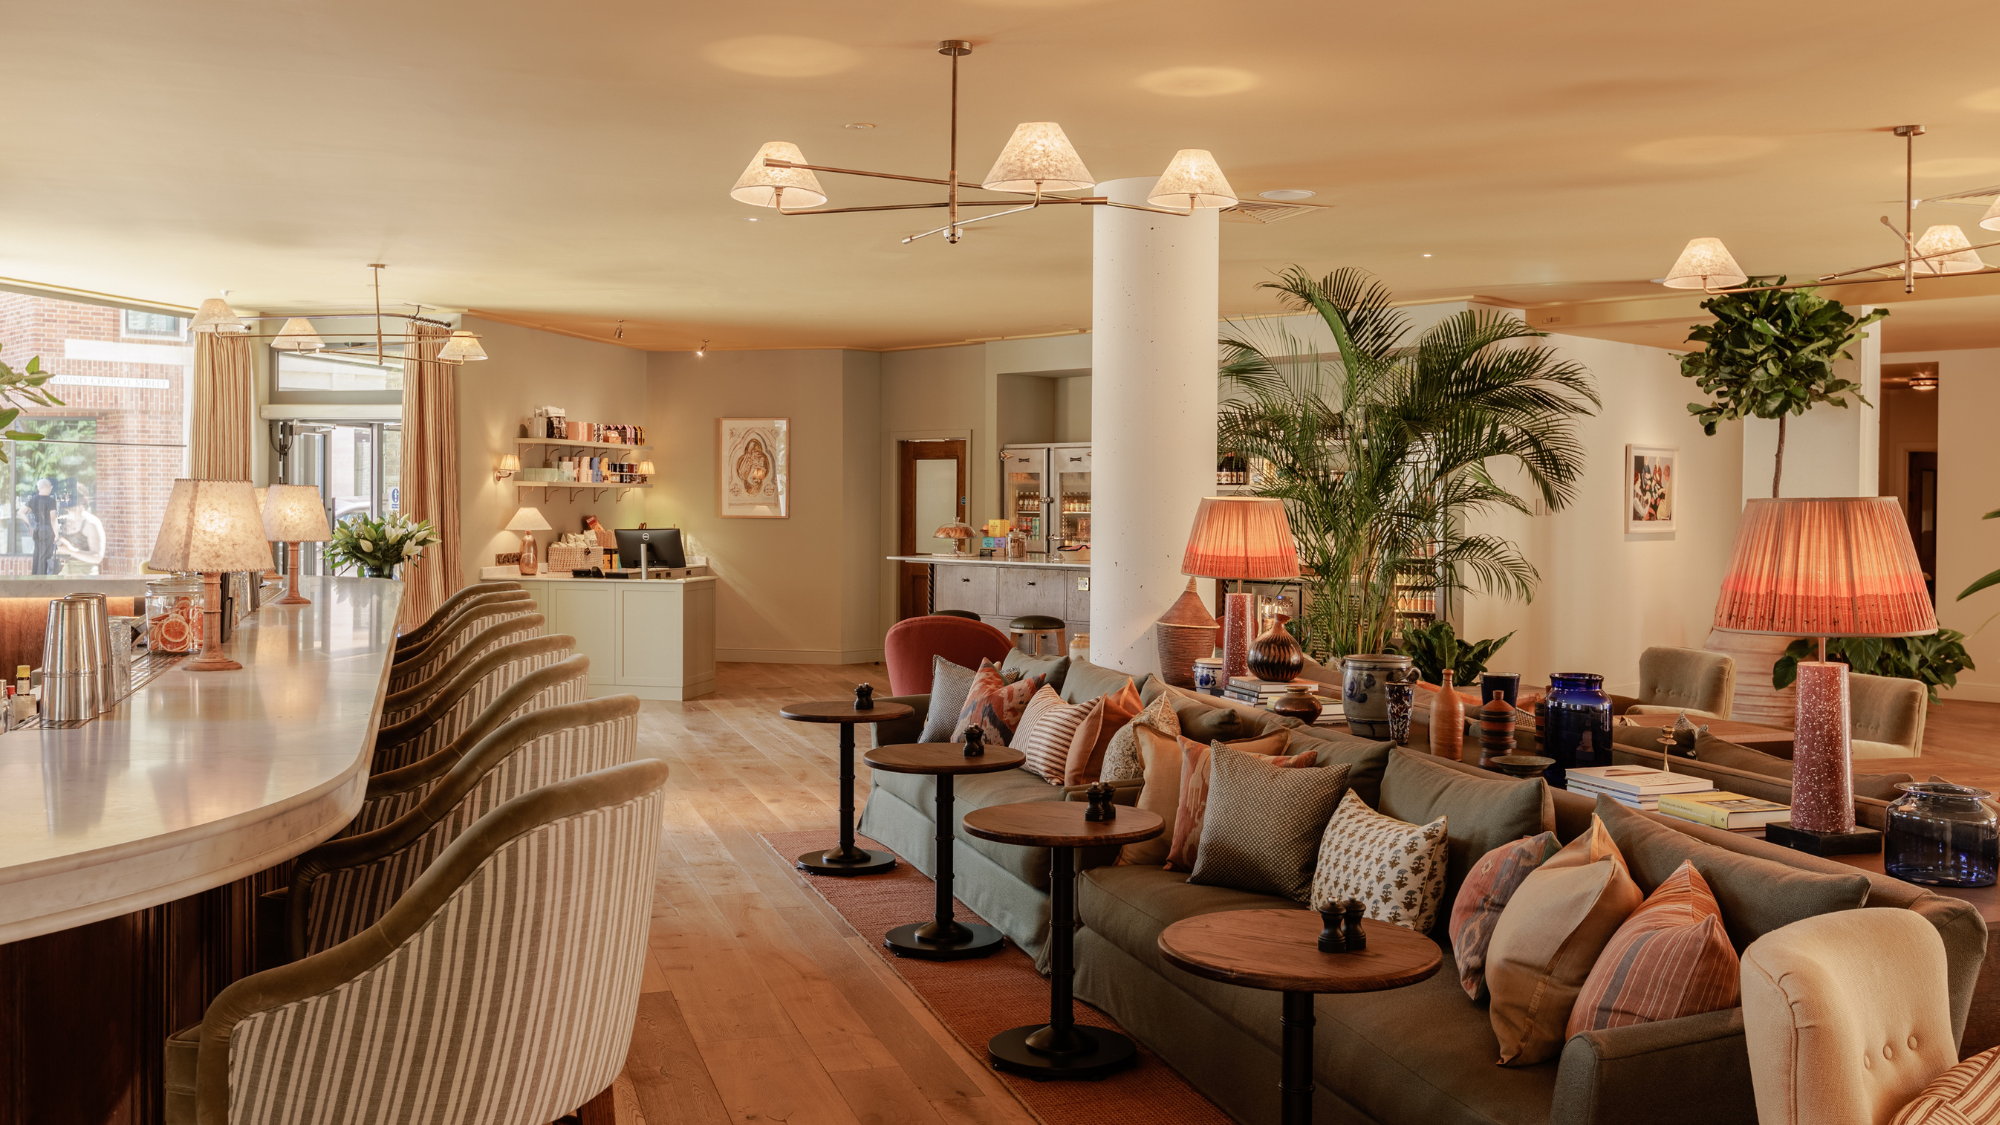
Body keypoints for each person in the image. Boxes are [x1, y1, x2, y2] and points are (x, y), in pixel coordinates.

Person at [55, 491, 106, 575]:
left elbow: (97, 557)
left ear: (82, 502)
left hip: (85, 576)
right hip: (65, 575)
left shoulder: (91, 523)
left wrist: (70, 551)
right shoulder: (62, 521)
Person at [20, 479, 57, 575]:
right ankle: (41, 580)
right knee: (44, 556)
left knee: (36, 555)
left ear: (38, 488)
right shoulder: (51, 501)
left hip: (37, 529)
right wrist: (56, 534)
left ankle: (34, 578)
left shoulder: (33, 499)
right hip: (47, 530)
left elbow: (21, 512)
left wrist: (30, 525)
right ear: (48, 488)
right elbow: (53, 519)